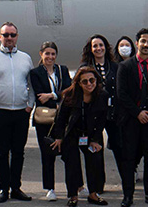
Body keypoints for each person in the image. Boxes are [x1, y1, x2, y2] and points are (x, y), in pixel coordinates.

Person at [0, 22, 35, 203]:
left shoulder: (26, 58)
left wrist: (30, 106)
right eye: (6, 35)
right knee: (2, 152)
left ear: (17, 36)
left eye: (13, 35)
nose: (10, 38)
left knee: (19, 152)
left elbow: (31, 84)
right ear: (0, 36)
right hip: (0, 112)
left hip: (21, 112)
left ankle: (16, 188)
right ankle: (3, 189)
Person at [116, 28, 148, 207]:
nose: (146, 45)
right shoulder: (125, 66)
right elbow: (121, 93)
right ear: (137, 43)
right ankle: (128, 195)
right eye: (143, 41)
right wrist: (137, 113)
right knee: (128, 159)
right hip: (131, 120)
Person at [50, 66, 109, 207]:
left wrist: (95, 140)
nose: (89, 84)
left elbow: (101, 120)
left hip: (90, 133)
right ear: (78, 83)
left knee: (94, 161)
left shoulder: (102, 95)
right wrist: (58, 137)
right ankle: (73, 195)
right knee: (72, 164)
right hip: (72, 133)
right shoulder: (69, 95)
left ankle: (93, 193)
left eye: (92, 80)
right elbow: (61, 118)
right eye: (85, 81)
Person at [81, 35, 127, 195]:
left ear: (105, 47)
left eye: (101, 45)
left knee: (119, 149)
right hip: (94, 116)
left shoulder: (115, 67)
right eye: (95, 46)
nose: (98, 48)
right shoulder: (85, 67)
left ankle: (127, 183)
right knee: (95, 150)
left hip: (114, 114)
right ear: (91, 49)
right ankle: (97, 186)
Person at [29, 41, 72, 201]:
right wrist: (58, 99)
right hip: (44, 120)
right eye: (47, 53)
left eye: (53, 54)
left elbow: (68, 91)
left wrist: (53, 95)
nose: (50, 57)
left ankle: (76, 185)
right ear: (41, 54)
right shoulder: (35, 73)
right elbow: (40, 96)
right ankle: (50, 188)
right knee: (47, 155)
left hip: (62, 119)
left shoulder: (63, 70)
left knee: (68, 153)